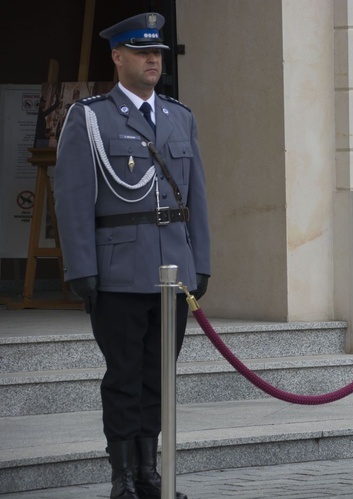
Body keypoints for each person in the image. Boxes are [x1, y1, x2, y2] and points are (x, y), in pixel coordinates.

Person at [54, 12, 211, 499]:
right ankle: (121, 478)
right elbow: (73, 197)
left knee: (158, 378)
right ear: (118, 57)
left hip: (172, 274)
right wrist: (81, 268)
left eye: (158, 53)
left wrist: (200, 261)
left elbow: (197, 196)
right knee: (124, 377)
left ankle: (148, 474)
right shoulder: (91, 117)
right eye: (143, 52)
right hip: (119, 271)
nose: (153, 60)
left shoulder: (178, 116)